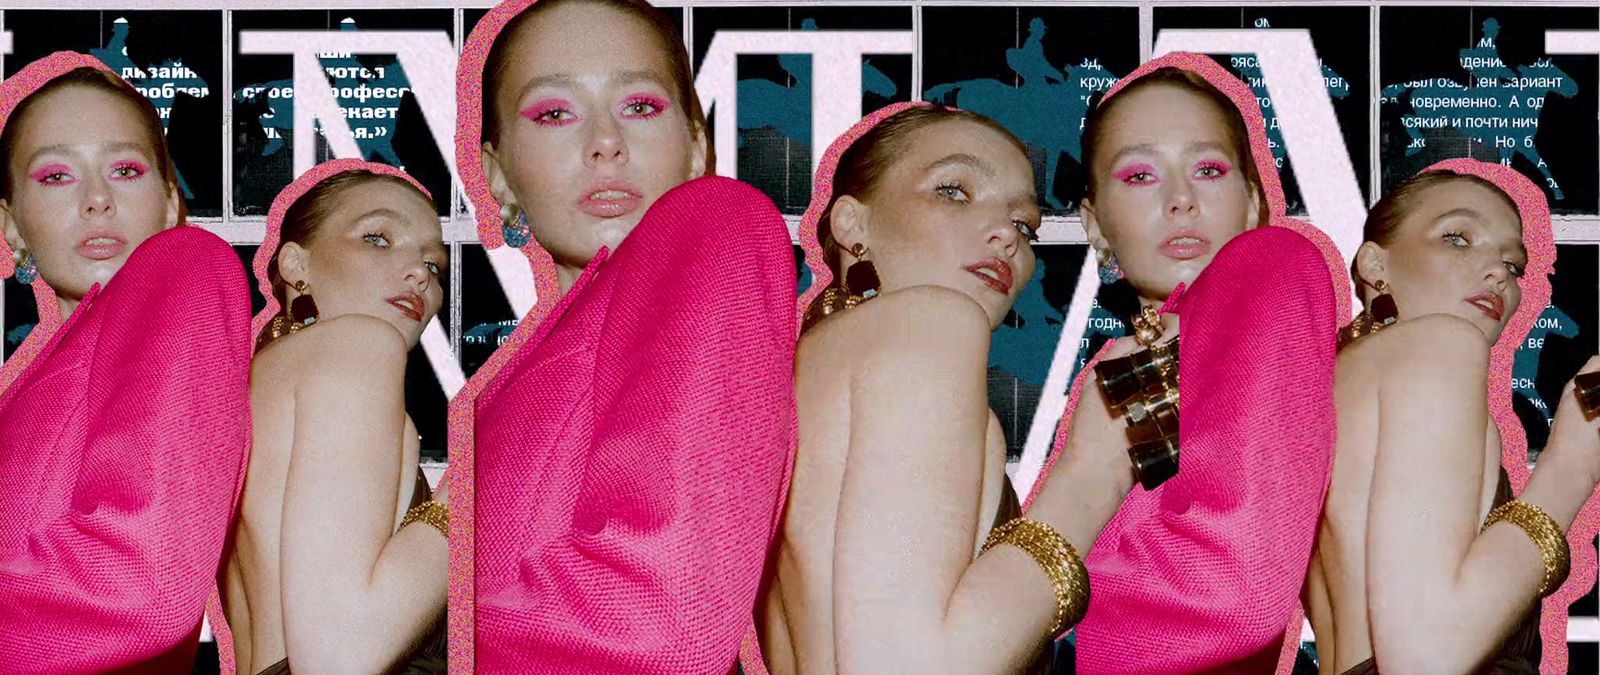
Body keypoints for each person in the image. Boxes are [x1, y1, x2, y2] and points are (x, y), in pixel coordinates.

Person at [458, 0, 796, 670]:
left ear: (697, 146)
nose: (606, 142)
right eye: (555, 113)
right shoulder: (518, 373)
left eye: (640, 105)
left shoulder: (716, 226)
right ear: (496, 174)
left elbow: (658, 623)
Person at [763, 101, 1152, 673]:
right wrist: (1096, 471)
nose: (1006, 237)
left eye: (1025, 226)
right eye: (954, 191)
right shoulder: (932, 322)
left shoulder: (814, 368)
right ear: (851, 224)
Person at [1039, 53, 1340, 673]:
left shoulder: (1285, 280)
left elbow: (1230, 594)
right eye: (1140, 176)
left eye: (1207, 169)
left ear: (1254, 203)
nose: (1181, 201)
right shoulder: (1124, 370)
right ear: (1095, 226)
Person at [0, 53, 252, 672]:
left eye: (125, 169)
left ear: (170, 204)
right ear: (11, 229)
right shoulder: (39, 373)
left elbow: (141, 580)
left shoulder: (186, 266)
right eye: (56, 176)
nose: (97, 201)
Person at [1308, 161, 1599, 674]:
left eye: (1514, 265)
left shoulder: (1327, 392)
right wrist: (1573, 463)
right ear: (1374, 264)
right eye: (1458, 238)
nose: (1498, 274)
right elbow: (1425, 660)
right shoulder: (1443, 346)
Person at [222, 160, 449, 674]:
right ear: (294, 265)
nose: (420, 272)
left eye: (434, 266)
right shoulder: (361, 346)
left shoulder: (258, 383)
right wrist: (482, 483)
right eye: (378, 238)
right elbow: (341, 657)